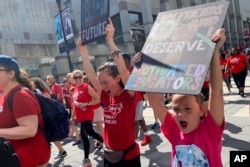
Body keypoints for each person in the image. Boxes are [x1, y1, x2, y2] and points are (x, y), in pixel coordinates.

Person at [134, 29, 226, 167]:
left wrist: (214, 51)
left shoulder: (210, 130)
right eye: (175, 109)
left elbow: (217, 92)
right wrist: (143, 68)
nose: (180, 114)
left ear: (201, 110)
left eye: (188, 108)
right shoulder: (174, 130)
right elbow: (154, 102)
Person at [77, 18, 141, 167]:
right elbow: (91, 75)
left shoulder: (129, 95)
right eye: (101, 84)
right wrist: (83, 51)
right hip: (110, 154)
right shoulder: (105, 96)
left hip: (129, 155)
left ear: (117, 78)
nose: (103, 87)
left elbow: (123, 69)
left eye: (106, 82)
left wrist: (110, 40)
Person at [0, 55, 50, 167]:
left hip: (30, 157)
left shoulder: (20, 95)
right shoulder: (7, 95)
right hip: (16, 156)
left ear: (11, 73)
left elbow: (29, 130)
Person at [71, 69, 103, 167]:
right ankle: (104, 141)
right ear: (73, 79)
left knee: (84, 136)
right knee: (91, 133)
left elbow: (97, 99)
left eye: (79, 77)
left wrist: (87, 103)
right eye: (75, 77)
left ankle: (86, 159)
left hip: (87, 115)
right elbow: (74, 104)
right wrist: (72, 117)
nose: (78, 79)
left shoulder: (87, 87)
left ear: (82, 77)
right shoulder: (75, 89)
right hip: (80, 116)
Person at [30, 77, 68, 159]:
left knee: (52, 135)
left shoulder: (43, 92)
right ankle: (61, 151)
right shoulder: (38, 92)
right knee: (51, 136)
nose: (31, 85)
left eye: (32, 83)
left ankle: (60, 151)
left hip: (48, 117)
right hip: (46, 117)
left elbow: (47, 104)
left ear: (36, 84)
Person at [122, 53, 152, 146]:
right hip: (128, 99)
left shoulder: (134, 69)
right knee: (139, 118)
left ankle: (133, 143)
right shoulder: (122, 71)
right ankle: (147, 136)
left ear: (126, 60)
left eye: (121, 59)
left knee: (135, 121)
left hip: (137, 98)